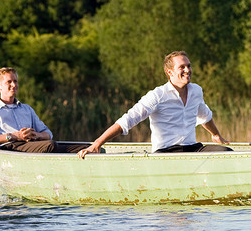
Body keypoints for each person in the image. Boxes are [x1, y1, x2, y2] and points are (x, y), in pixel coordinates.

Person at [78, 51, 229, 158]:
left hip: (192, 148)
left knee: (225, 152)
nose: (187, 70)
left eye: (188, 66)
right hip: (166, 152)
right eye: (182, 67)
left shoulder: (196, 91)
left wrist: (216, 135)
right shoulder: (157, 95)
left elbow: (204, 115)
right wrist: (97, 144)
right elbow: (127, 120)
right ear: (169, 72)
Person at [0, 67, 88, 153]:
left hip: (34, 146)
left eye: (15, 81)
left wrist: (36, 135)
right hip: (10, 149)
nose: (14, 85)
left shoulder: (26, 109)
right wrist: (15, 136)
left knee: (85, 148)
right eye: (9, 82)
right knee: (50, 145)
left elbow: (48, 134)